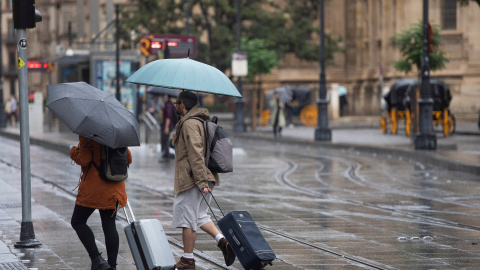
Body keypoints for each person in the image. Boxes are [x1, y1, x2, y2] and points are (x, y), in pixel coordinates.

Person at [170, 91, 235, 269]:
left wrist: (201, 182)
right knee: (199, 216)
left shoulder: (190, 123)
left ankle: (187, 260)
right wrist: (176, 141)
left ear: (183, 105)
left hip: (194, 179)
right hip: (203, 177)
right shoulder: (197, 121)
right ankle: (223, 242)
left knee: (187, 219)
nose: (174, 106)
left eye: (176, 103)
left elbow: (196, 154)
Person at [70, 136, 132, 270]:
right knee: (109, 225)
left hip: (95, 187)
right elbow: (128, 159)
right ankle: (112, 266)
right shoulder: (117, 134)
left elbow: (83, 159)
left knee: (77, 221)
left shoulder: (88, 133)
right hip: (115, 187)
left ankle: (96, 259)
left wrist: (73, 151)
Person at [159, 94, 176, 161]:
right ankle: (166, 154)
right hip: (168, 125)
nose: (162, 98)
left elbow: (168, 117)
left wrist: (166, 127)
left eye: (162, 96)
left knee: (165, 140)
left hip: (168, 125)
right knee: (165, 139)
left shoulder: (168, 105)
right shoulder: (168, 104)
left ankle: (167, 155)